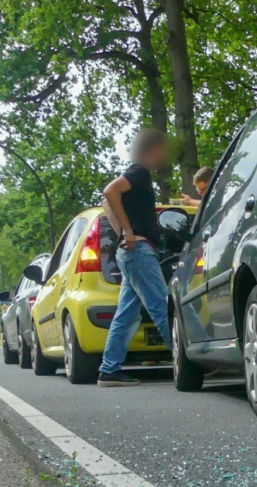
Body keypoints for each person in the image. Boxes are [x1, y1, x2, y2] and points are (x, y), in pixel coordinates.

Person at [97, 129, 174, 387]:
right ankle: (190, 361)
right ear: (153, 150)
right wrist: (128, 232)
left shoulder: (137, 175)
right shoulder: (139, 172)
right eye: (163, 152)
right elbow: (110, 192)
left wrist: (122, 233)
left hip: (132, 252)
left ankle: (109, 370)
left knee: (127, 315)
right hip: (139, 252)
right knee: (162, 307)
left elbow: (107, 202)